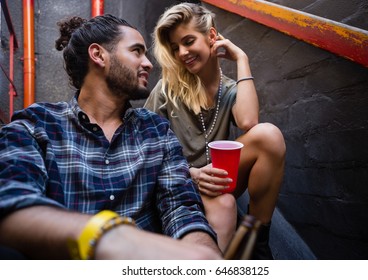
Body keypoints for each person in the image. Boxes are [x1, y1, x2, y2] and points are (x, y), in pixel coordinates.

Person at [0, 14, 221, 260]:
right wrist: (112, 238)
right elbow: (11, 201)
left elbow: (181, 207)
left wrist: (205, 256)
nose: (148, 63)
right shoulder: (36, 125)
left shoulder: (156, 131)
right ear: (98, 55)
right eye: (137, 51)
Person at [144, 3, 286, 259]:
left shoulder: (229, 90)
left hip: (220, 179)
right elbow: (144, 147)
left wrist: (242, 58)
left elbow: (248, 121)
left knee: (269, 135)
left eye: (188, 41)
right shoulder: (166, 90)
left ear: (212, 36)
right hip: (182, 180)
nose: (182, 53)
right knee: (226, 204)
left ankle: (258, 241)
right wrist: (192, 173)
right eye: (175, 48)